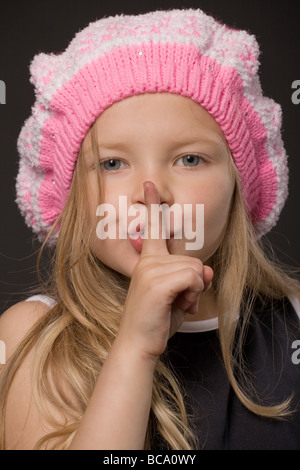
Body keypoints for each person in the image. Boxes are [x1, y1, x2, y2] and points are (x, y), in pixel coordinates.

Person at [0, 8, 299, 450]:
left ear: (241, 184)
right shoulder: (31, 339)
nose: (151, 192)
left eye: (190, 159)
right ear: (69, 197)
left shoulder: (292, 323)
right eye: (113, 163)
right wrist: (136, 347)